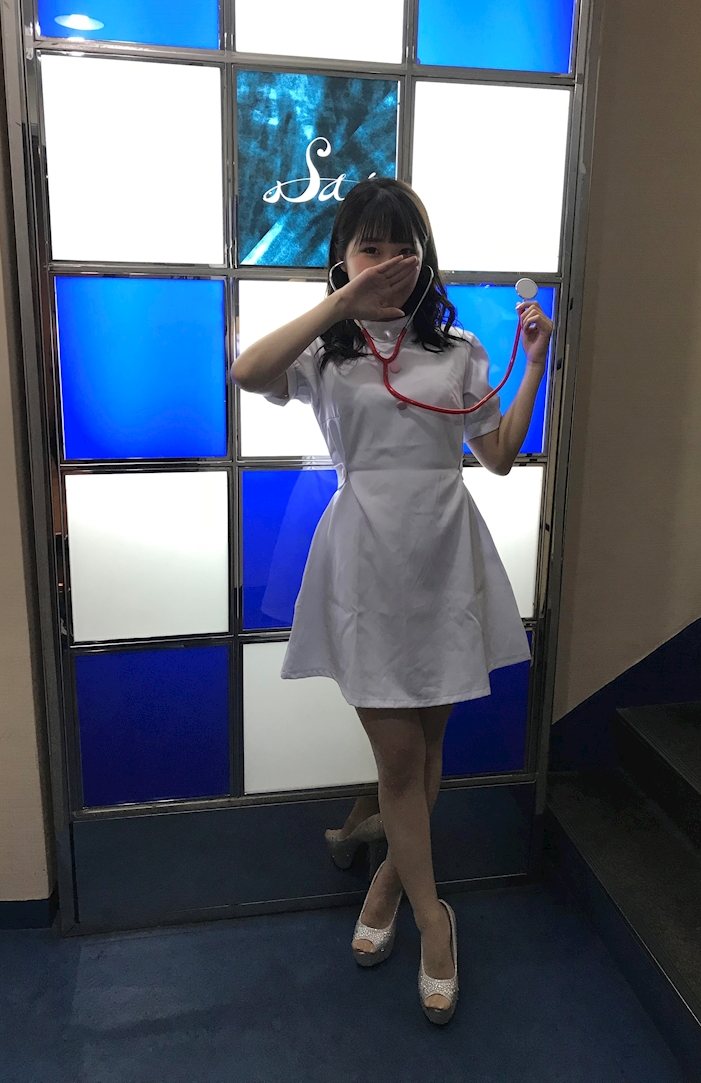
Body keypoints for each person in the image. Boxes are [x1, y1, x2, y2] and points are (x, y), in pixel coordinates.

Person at [231, 178, 553, 1024]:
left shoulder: (456, 351)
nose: (387, 263)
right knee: (400, 760)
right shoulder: (325, 354)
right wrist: (342, 302)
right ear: (343, 258)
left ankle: (387, 881)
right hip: (366, 560)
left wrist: (535, 365)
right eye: (369, 247)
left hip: (444, 554)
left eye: (401, 248)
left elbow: (499, 456)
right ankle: (434, 919)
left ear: (424, 257)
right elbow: (246, 371)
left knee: (428, 749)